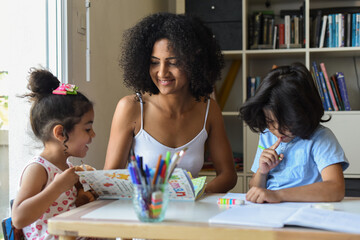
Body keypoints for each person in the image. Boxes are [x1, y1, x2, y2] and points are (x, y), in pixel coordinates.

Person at [104, 12, 237, 193]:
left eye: (173, 62)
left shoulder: (209, 109)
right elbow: (110, 179)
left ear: (194, 61)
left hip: (191, 212)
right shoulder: (131, 108)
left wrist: (195, 195)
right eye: (154, 62)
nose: (162, 72)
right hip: (145, 212)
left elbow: (228, 175)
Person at [239, 62, 349, 203]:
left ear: (304, 113)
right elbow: (254, 187)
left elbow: (336, 189)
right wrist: (262, 171)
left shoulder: (321, 138)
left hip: (306, 212)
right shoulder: (267, 135)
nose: (277, 130)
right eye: (270, 121)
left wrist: (278, 195)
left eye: (286, 122)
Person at [11, 68, 96, 240]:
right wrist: (57, 187)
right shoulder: (38, 169)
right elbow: (19, 218)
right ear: (60, 133)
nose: (93, 134)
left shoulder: (67, 167)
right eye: (87, 129)